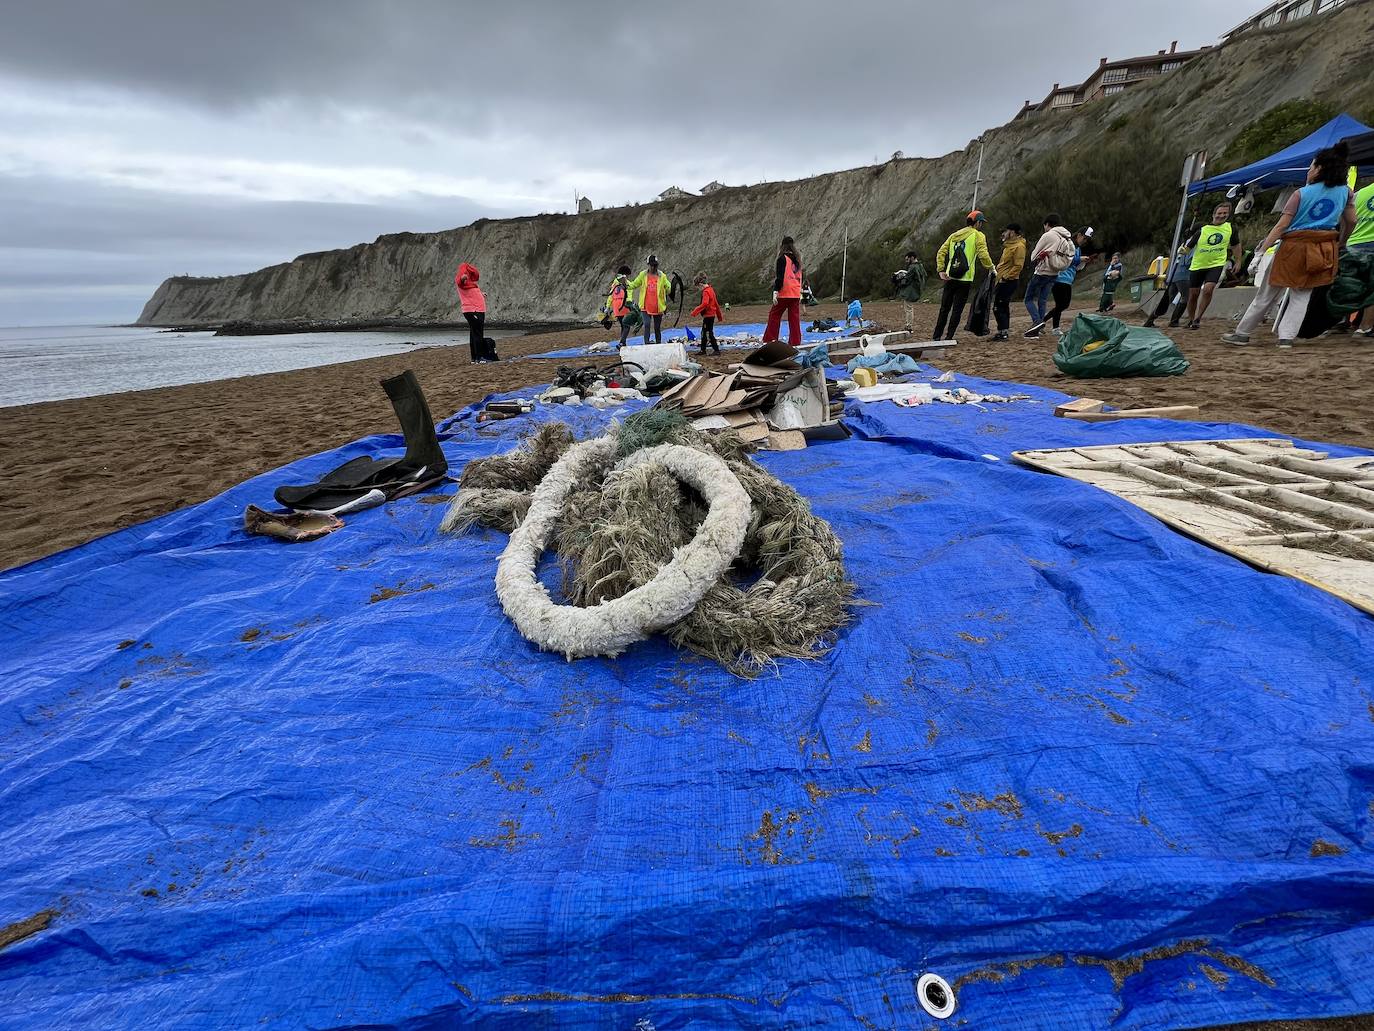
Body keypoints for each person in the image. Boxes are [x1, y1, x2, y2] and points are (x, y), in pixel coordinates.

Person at [1222, 142, 1356, 349]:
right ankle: (1286, 338)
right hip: (1323, 247)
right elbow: (1352, 221)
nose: (1309, 170)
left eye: (1312, 166)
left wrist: (1260, 251)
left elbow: (1281, 226)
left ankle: (1243, 333)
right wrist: (1342, 241)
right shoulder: (1346, 193)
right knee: (1301, 294)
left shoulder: (1301, 193)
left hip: (1294, 246)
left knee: (1268, 293)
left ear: (1320, 168)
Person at [1178, 201, 1242, 329]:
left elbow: (1236, 245)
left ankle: (1197, 319)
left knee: (1208, 290)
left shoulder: (1230, 228)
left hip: (1216, 264)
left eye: (1225, 213)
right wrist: (1182, 249)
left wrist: (1238, 261)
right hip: (1198, 265)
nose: (1222, 215)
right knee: (1193, 295)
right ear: (1214, 214)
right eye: (1219, 213)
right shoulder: (1202, 230)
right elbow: (1188, 249)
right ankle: (1190, 319)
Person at [933, 210, 994, 340]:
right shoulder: (978, 235)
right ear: (977, 222)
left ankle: (936, 336)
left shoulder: (954, 235)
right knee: (957, 310)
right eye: (981, 222)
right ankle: (949, 337)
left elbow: (941, 252)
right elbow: (983, 254)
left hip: (950, 277)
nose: (981, 225)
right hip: (965, 279)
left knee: (944, 309)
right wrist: (991, 268)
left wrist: (941, 270)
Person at [1024, 214, 1075, 338]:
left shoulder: (1048, 235)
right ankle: (1039, 329)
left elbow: (1033, 256)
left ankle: (1037, 321)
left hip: (1042, 272)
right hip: (1055, 273)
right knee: (1042, 300)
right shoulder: (1067, 237)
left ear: (1047, 224)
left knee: (1028, 299)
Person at [1047, 228, 1094, 336]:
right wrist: (1080, 259)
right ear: (1079, 235)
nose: (1085, 241)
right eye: (1085, 238)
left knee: (1064, 304)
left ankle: (1043, 321)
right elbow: (1066, 259)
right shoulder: (1067, 244)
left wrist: (1082, 263)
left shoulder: (1077, 248)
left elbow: (1075, 265)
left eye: (1087, 240)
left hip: (1068, 279)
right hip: (1060, 277)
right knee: (1060, 304)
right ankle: (1054, 327)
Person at [763, 236, 805, 346]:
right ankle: (795, 341)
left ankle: (771, 339)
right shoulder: (797, 259)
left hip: (785, 292)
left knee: (774, 315)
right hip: (795, 293)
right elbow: (800, 277)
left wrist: (776, 291)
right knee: (794, 319)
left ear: (782, 246)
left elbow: (780, 277)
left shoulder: (782, 258)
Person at [1347, 173, 1374, 336]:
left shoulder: (1360, 193)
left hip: (1353, 244)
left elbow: (1347, 218)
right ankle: (1365, 326)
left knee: (1351, 287)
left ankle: (1338, 323)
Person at [1144, 242, 1193, 328]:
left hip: (1174, 275)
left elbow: (1176, 261)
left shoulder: (1182, 245)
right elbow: (1188, 261)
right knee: (1185, 297)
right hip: (1183, 275)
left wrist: (1169, 277)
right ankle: (1174, 321)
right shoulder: (1191, 247)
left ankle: (1150, 320)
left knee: (1167, 300)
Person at [454, 261, 495, 363]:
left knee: (474, 333)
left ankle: (474, 358)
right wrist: (463, 277)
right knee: (478, 333)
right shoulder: (462, 280)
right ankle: (479, 357)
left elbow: (471, 293)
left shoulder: (471, 285)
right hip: (473, 310)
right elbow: (460, 281)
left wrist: (481, 294)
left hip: (476, 309)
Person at [627, 255, 671, 345]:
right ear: (648, 265)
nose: (653, 267)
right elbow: (634, 284)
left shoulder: (662, 275)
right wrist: (626, 283)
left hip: (658, 306)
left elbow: (668, 286)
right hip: (645, 306)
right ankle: (646, 343)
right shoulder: (643, 275)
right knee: (647, 324)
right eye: (651, 265)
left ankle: (658, 343)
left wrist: (670, 288)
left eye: (655, 265)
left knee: (657, 327)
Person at [992, 223, 1025, 341]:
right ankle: (1003, 331)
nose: (1004, 234)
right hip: (1002, 280)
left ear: (1013, 232)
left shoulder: (1019, 246)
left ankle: (1003, 332)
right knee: (1001, 306)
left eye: (1006, 231)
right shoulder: (1008, 246)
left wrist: (1006, 277)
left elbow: (1018, 266)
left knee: (999, 306)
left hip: (1008, 281)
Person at [690, 273, 722, 355]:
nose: (698, 289)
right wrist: (719, 316)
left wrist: (695, 311)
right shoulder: (711, 290)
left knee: (708, 333)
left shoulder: (706, 292)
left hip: (708, 316)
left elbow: (705, 303)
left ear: (700, 284)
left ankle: (716, 350)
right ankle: (703, 350)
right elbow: (716, 303)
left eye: (697, 287)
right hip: (711, 315)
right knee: (704, 332)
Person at [604, 265, 635, 346]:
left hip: (616, 308)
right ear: (625, 275)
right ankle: (621, 343)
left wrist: (607, 307)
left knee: (623, 325)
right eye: (627, 275)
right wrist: (631, 305)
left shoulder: (614, 284)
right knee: (627, 326)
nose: (628, 277)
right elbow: (629, 297)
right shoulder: (627, 284)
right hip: (625, 307)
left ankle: (623, 343)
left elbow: (610, 296)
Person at [896, 251, 926, 332]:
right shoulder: (920, 265)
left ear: (912, 258)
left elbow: (907, 279)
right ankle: (909, 325)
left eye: (907, 259)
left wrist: (899, 280)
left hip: (910, 291)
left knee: (908, 309)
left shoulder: (912, 267)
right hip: (916, 290)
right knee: (910, 308)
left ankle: (909, 326)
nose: (906, 261)